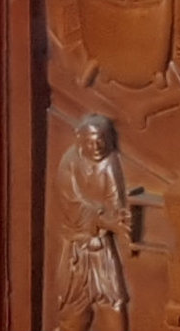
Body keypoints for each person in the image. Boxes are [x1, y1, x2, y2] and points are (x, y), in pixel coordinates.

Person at [50, 115, 130, 331]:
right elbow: (74, 206)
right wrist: (105, 220)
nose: (97, 146)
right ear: (80, 140)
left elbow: (116, 201)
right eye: (91, 141)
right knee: (73, 316)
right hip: (78, 250)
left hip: (103, 251)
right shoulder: (69, 163)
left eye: (101, 140)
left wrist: (119, 218)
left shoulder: (110, 161)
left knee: (114, 307)